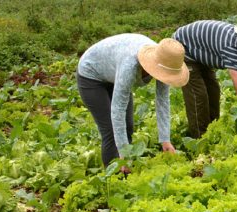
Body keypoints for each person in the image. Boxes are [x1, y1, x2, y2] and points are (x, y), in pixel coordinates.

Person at [76, 34, 189, 167]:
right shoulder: (130, 65)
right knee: (111, 131)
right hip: (91, 74)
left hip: (114, 71)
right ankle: (113, 178)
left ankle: (126, 169)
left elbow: (162, 101)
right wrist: (123, 154)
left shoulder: (167, 61)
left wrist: (165, 139)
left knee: (128, 125)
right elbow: (118, 110)